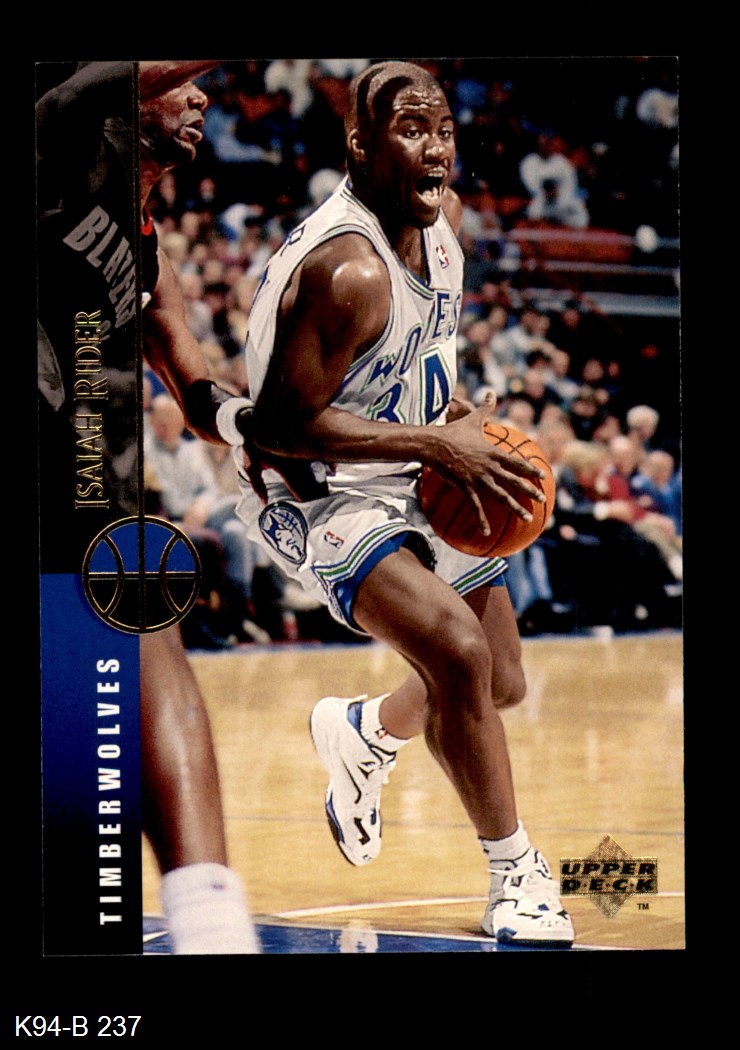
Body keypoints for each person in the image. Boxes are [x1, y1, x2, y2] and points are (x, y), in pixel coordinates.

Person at [226, 61, 574, 945]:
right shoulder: (347, 270)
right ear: (359, 143)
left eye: (443, 129)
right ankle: (517, 876)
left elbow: (414, 357)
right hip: (317, 488)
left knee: (500, 679)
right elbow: (280, 428)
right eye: (410, 130)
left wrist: (449, 419)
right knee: (457, 654)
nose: (435, 148)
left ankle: (366, 732)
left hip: (409, 463)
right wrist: (432, 444)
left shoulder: (443, 227)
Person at [37, 61, 259, 954]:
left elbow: (198, 390)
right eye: (187, 79)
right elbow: (95, 82)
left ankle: (207, 916)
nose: (202, 95)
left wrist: (263, 427)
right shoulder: (58, 137)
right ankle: (212, 921)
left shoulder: (148, 247)